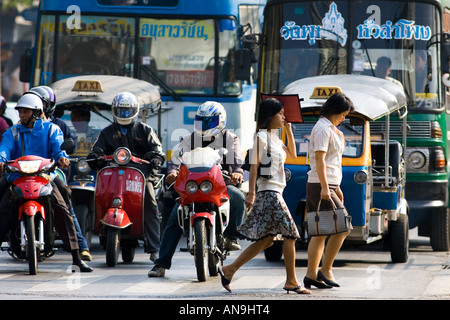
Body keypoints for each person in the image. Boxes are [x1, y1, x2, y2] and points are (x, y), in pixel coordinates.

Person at [218, 98, 310, 294]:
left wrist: (289, 131)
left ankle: (229, 269)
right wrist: (251, 193)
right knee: (291, 234)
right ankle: (292, 281)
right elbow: (253, 166)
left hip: (277, 191)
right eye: (281, 114)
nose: (284, 117)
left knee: (267, 240)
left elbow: (293, 155)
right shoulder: (261, 136)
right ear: (270, 116)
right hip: (268, 191)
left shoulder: (275, 138)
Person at [148, 101, 245, 278]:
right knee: (174, 217)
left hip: (220, 186)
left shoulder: (231, 138)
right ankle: (161, 264)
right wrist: (172, 172)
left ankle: (231, 236)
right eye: (202, 121)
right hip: (192, 188)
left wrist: (237, 172)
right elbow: (176, 159)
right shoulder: (189, 139)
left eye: (209, 122)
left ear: (220, 121)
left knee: (238, 197)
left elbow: (237, 159)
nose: (205, 126)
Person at [0, 93, 93, 272]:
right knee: (2, 206)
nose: (22, 115)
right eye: (20, 112)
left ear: (36, 112)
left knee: (64, 204)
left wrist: (62, 158)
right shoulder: (13, 131)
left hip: (44, 177)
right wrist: (1, 159)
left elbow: (58, 147)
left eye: (26, 112)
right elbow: (4, 147)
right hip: (17, 177)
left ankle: (76, 256)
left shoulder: (51, 130)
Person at [87, 92, 165, 262]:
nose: (123, 114)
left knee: (150, 202)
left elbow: (157, 150)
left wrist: (155, 157)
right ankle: (96, 230)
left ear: (135, 110)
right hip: (114, 175)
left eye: (127, 110)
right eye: (120, 111)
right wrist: (95, 156)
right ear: (114, 111)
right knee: (99, 194)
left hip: (142, 175)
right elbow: (96, 151)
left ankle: (154, 248)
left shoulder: (145, 130)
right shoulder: (107, 132)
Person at [28, 86, 92, 261]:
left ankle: (81, 246)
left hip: (50, 172)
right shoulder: (19, 128)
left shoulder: (57, 126)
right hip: (24, 172)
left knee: (65, 199)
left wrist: (61, 157)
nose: (27, 112)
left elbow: (63, 147)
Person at [303, 92, 354, 289]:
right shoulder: (323, 128)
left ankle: (311, 275)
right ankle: (325, 269)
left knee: (321, 233)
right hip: (320, 184)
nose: (344, 118)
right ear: (335, 111)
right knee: (344, 227)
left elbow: (333, 161)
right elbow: (320, 159)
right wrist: (326, 186)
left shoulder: (330, 128)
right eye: (343, 114)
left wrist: (336, 187)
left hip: (327, 184)